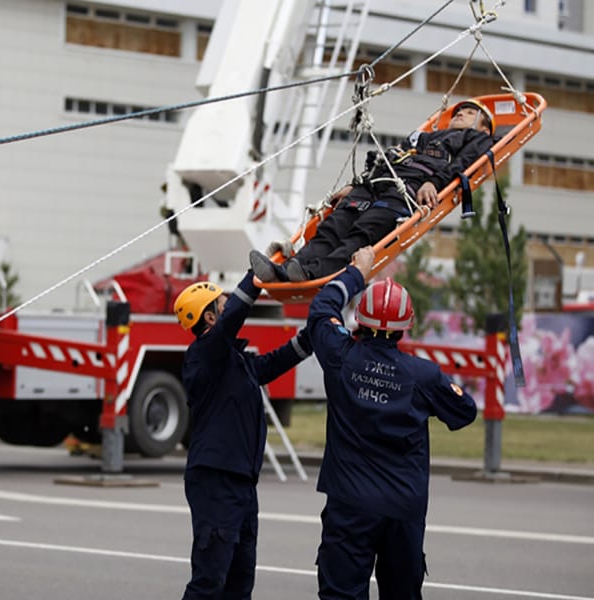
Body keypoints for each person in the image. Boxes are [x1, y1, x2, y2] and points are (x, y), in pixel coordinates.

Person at [305, 247, 477, 600]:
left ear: (360, 321)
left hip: (349, 505)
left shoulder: (341, 357)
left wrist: (357, 271)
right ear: (406, 326)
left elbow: (321, 309)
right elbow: (465, 411)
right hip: (403, 509)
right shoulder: (423, 376)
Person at [174, 270, 312, 599]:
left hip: (241, 483)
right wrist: (256, 278)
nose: (229, 306)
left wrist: (312, 335)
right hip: (216, 481)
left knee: (239, 582)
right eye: (222, 303)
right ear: (210, 315)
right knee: (209, 581)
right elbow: (233, 317)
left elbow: (274, 362)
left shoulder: (234, 361)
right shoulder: (204, 355)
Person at [250, 99, 495, 283]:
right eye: (458, 112)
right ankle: (286, 269)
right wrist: (355, 185)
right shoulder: (421, 138)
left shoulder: (475, 139)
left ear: (484, 128)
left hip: (406, 192)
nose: (460, 113)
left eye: (471, 112)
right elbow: (388, 158)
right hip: (374, 184)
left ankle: (310, 272)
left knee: (360, 236)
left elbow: (464, 165)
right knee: (332, 228)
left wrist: (435, 183)